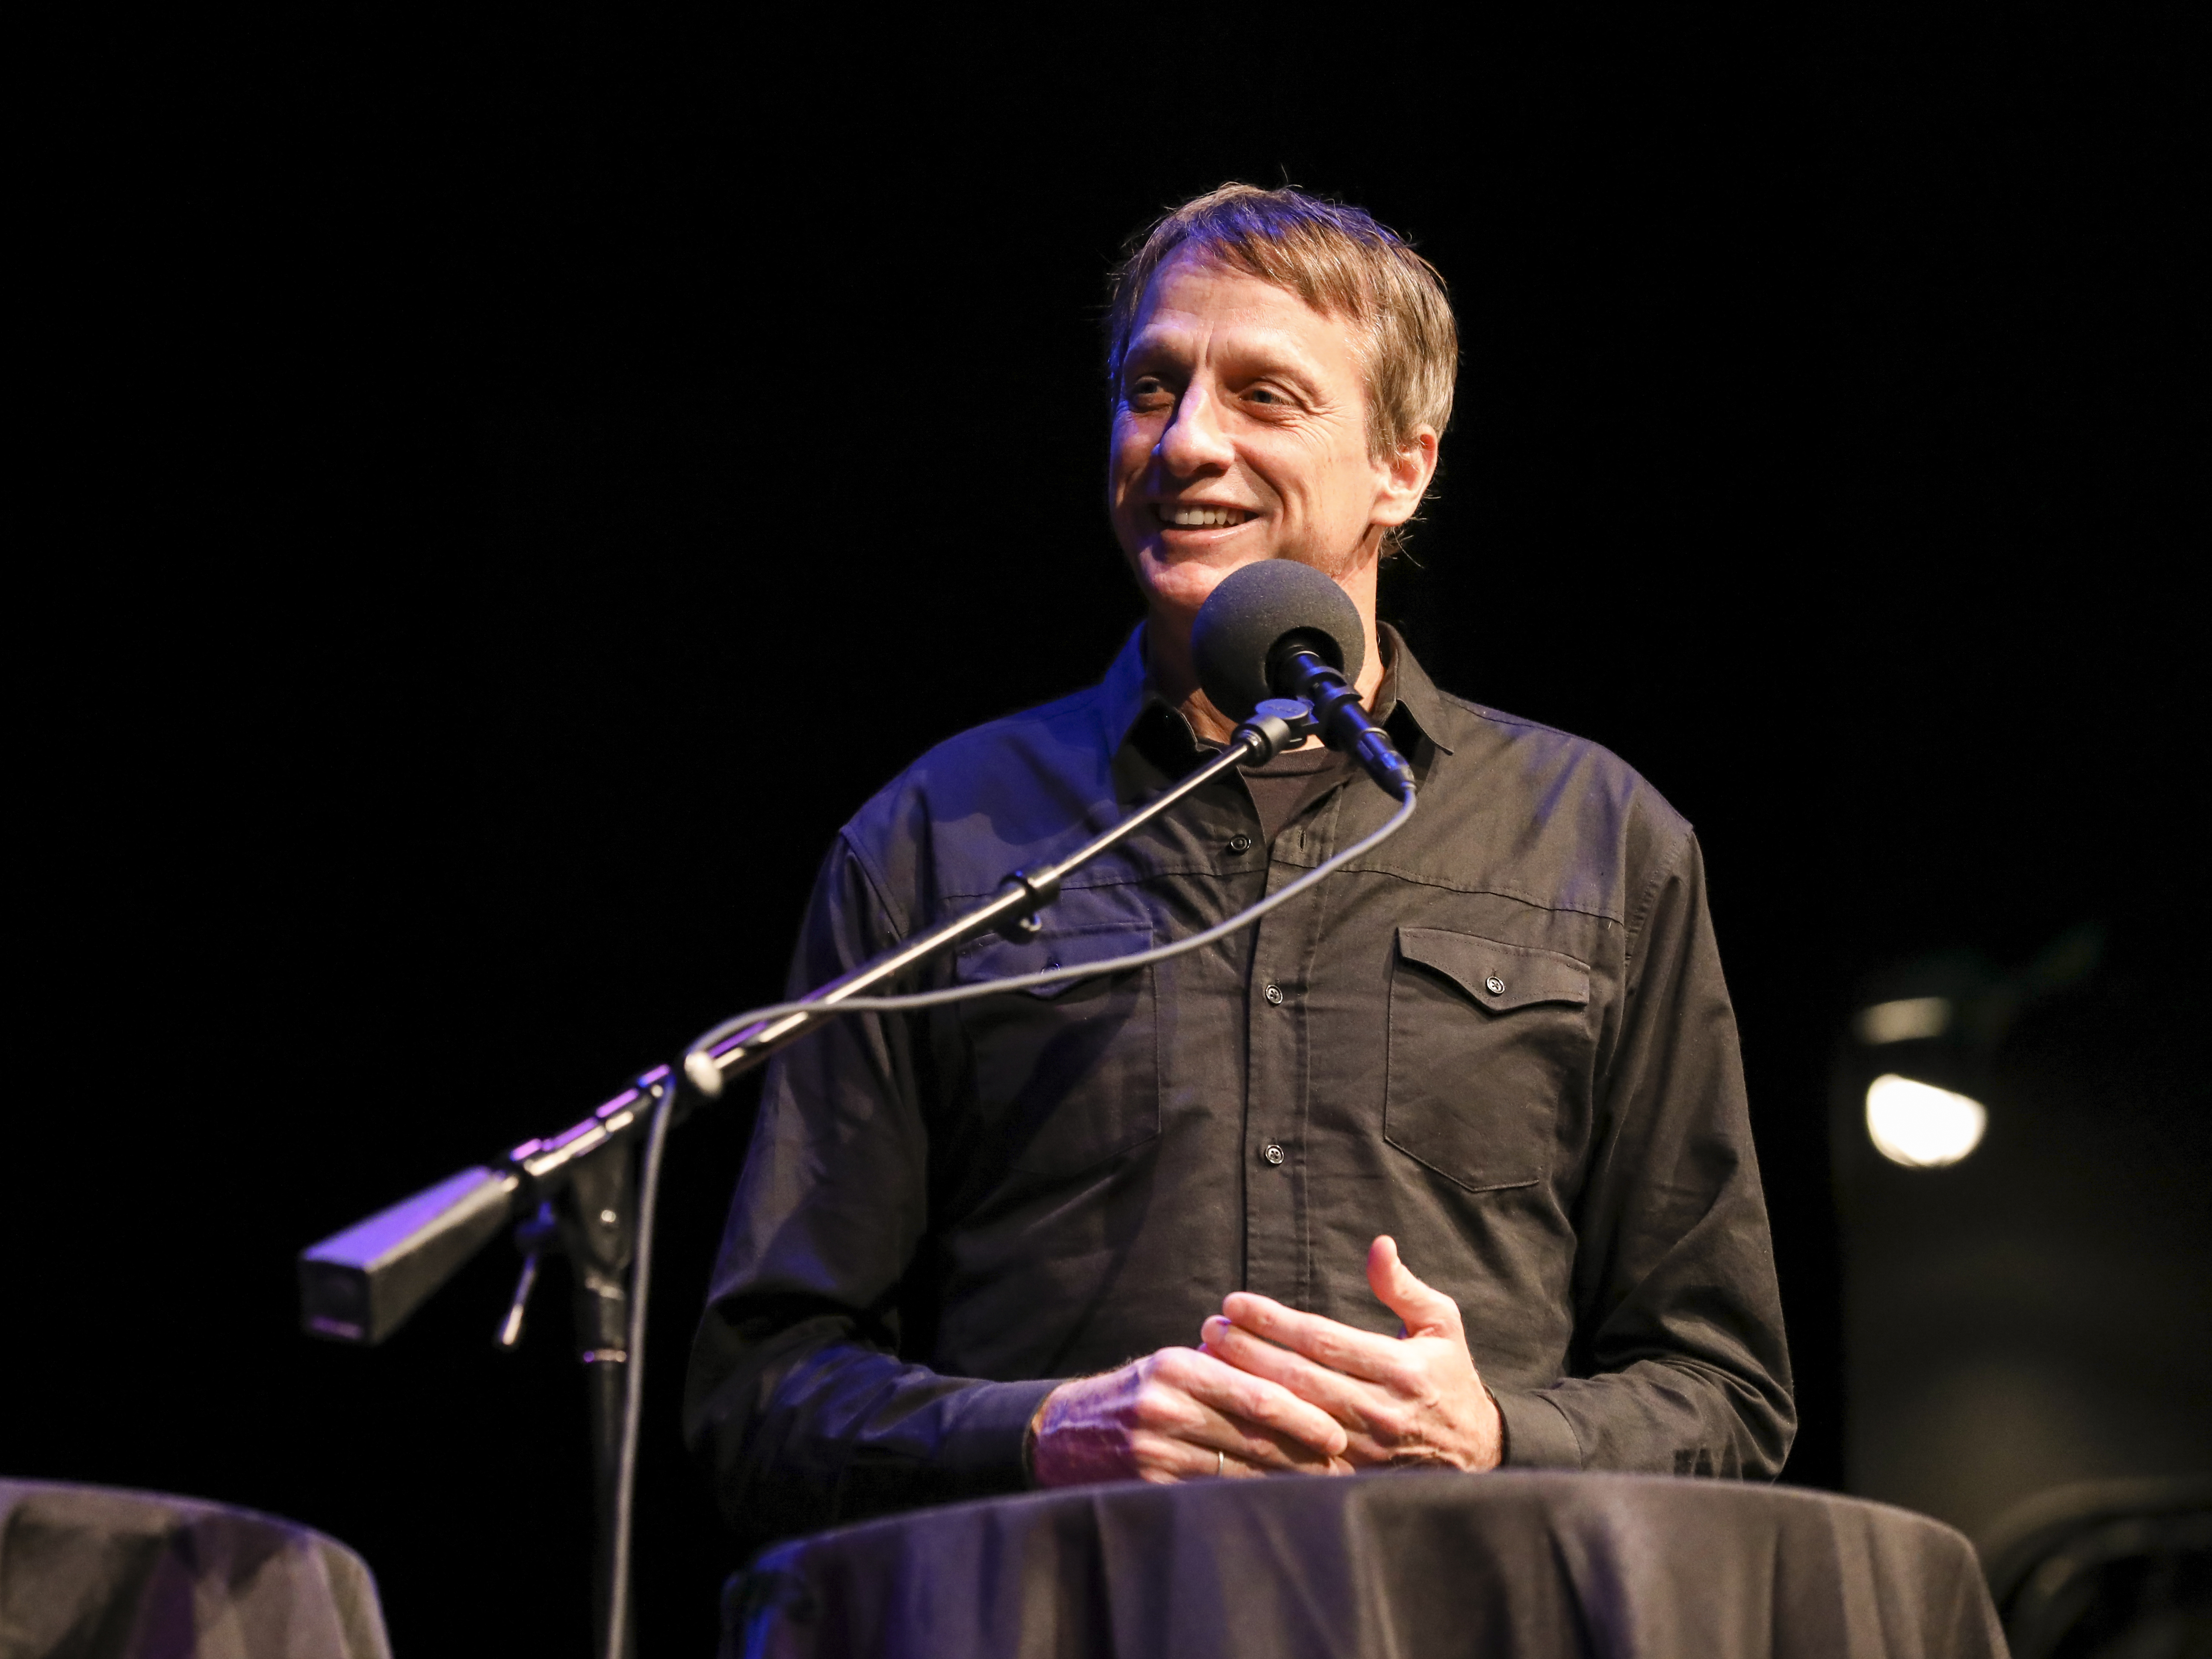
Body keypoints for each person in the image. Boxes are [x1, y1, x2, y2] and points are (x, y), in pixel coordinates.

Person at [685, 184, 1794, 1548]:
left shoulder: (1602, 842)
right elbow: (764, 1397)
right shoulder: (938, 839)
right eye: (1151, 388)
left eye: (1266, 396)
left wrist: (1499, 1437)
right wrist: (1041, 1435)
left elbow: (1727, 1396)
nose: (1187, 442)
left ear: (1403, 469)